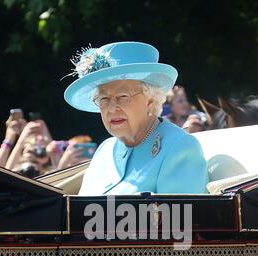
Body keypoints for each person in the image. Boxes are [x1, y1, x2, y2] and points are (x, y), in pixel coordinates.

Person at [64, 41, 208, 195]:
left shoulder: (180, 147)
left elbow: (181, 216)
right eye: (104, 99)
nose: (111, 108)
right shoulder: (105, 150)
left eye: (122, 97)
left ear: (150, 101)